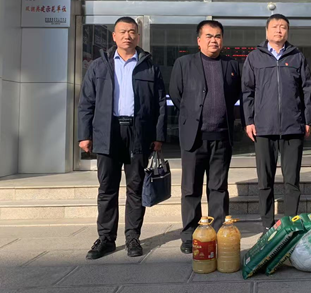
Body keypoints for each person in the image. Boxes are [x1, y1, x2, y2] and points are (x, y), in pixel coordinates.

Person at [78, 17, 167, 260]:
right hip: (108, 131)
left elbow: (160, 104)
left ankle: (132, 238)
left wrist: (158, 135)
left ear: (137, 36)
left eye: (132, 32)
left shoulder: (149, 66)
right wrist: (84, 135)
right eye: (123, 32)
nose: (127, 36)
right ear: (114, 36)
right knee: (107, 188)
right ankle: (106, 239)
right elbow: (86, 102)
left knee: (135, 187)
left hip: (138, 132)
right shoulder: (99, 66)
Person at [169, 20, 241, 254]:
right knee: (191, 189)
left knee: (218, 188)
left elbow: (234, 95)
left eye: (218, 36)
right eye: (208, 36)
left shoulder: (231, 64)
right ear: (199, 40)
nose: (213, 40)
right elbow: (176, 94)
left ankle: (218, 232)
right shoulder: (184, 63)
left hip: (221, 136)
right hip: (194, 137)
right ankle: (190, 235)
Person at [242, 14, 311, 230]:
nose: (279, 30)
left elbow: (307, 90)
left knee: (292, 180)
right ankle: (267, 223)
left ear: (287, 31)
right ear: (267, 31)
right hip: (264, 127)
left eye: (283, 27)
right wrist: (249, 120)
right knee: (265, 180)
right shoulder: (254, 58)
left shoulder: (297, 57)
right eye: (275, 27)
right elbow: (247, 92)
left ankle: (290, 224)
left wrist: (308, 120)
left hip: (293, 126)